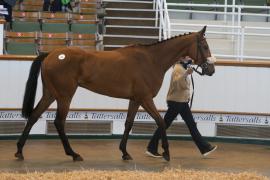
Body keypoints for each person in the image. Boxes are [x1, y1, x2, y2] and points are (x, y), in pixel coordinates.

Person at [145, 56, 217, 158]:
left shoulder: (182, 67)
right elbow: (178, 84)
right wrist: (186, 74)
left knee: (190, 125)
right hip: (176, 102)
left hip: (181, 102)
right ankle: (151, 148)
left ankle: (204, 147)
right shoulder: (178, 68)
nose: (189, 58)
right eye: (187, 56)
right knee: (166, 125)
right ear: (182, 58)